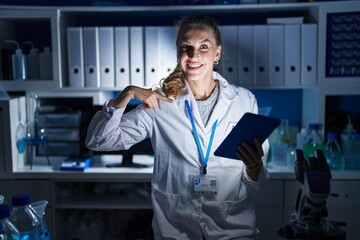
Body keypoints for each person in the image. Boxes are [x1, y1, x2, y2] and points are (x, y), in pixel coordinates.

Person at [85, 14, 269, 240]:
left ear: (217, 53)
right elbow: (98, 140)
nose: (194, 55)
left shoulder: (243, 101)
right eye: (186, 47)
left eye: (204, 46)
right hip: (177, 230)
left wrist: (253, 168)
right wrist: (127, 94)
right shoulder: (161, 103)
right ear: (178, 52)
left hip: (232, 230)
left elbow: (257, 180)